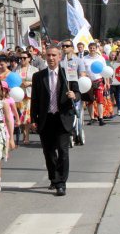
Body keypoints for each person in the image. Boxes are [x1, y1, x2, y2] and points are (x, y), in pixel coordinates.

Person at [31, 46, 80, 196]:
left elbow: (78, 92)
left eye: (54, 55)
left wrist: (74, 95)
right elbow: (35, 99)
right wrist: (33, 119)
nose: (51, 58)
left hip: (62, 117)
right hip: (46, 118)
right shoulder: (39, 76)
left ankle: (61, 183)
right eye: (48, 55)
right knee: (48, 152)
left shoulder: (68, 74)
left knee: (63, 151)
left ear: (59, 57)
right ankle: (53, 178)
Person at [83, 42, 108, 126]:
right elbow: (82, 71)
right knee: (90, 101)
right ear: (88, 49)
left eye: (94, 48)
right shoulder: (84, 58)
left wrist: (107, 82)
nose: (92, 49)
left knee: (100, 100)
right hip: (88, 82)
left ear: (96, 48)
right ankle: (92, 118)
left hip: (99, 80)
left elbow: (105, 71)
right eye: (91, 48)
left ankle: (101, 118)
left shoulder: (101, 58)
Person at [16, 50, 39, 145]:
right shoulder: (17, 69)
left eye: (24, 58)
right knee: (21, 115)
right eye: (20, 58)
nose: (22, 60)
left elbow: (38, 82)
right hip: (19, 95)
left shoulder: (34, 70)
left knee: (27, 115)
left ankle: (26, 135)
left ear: (29, 59)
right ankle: (24, 132)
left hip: (30, 95)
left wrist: (30, 83)